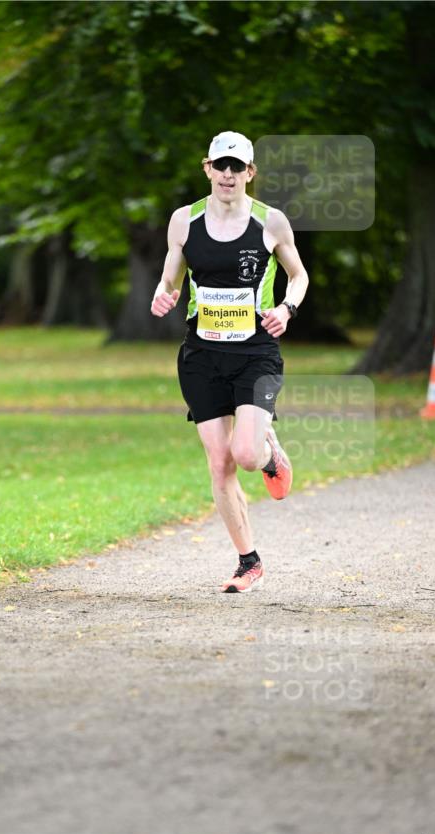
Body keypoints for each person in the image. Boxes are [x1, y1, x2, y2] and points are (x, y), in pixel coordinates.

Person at [151, 131, 309, 593]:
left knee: (244, 455)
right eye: (220, 165)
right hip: (201, 356)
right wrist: (163, 296)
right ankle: (248, 561)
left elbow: (297, 277)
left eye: (236, 167)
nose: (227, 174)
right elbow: (168, 279)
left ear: (249, 173)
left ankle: (266, 452)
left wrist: (286, 309)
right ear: (207, 168)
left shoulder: (270, 222)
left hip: (257, 353)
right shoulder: (184, 221)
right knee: (219, 461)